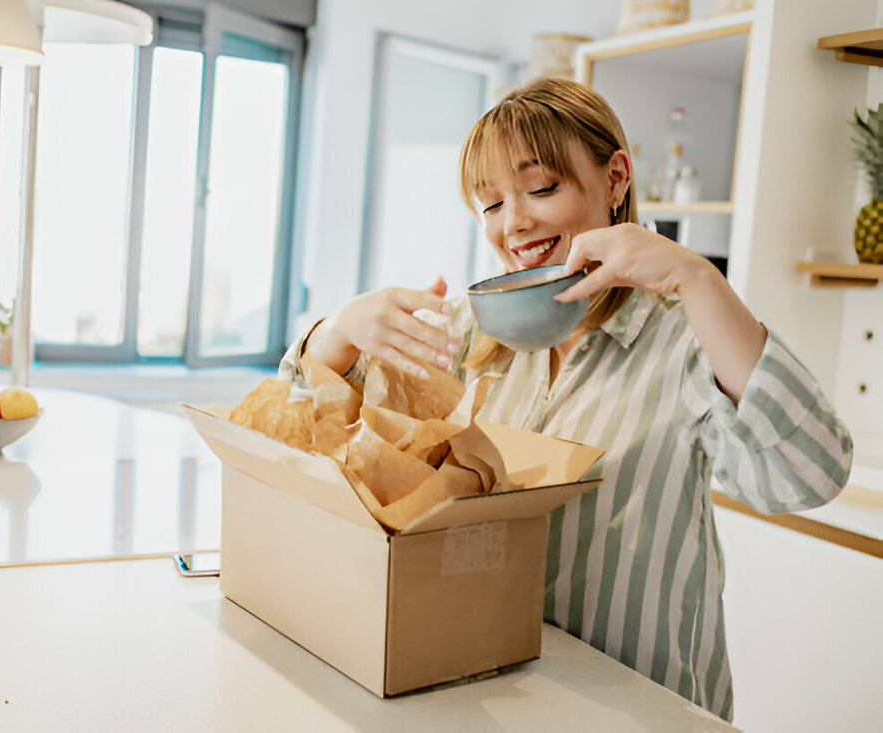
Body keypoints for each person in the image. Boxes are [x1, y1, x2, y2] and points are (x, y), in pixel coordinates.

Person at [280, 77, 853, 721]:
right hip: (490, 695)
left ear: (616, 180)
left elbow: (811, 473)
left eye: (542, 187)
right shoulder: (475, 336)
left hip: (641, 709)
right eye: (491, 204)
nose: (514, 223)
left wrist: (696, 276)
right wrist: (337, 335)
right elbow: (301, 444)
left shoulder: (685, 337)